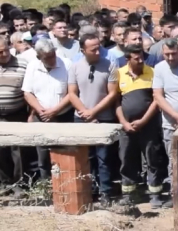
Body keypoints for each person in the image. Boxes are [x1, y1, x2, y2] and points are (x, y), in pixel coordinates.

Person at [67, 33, 119, 204]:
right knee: (86, 157)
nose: (97, 52)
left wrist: (94, 112)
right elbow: (72, 94)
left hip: (104, 118)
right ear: (83, 50)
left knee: (104, 158)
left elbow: (112, 94)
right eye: (93, 50)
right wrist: (85, 112)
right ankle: (89, 190)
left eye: (99, 48)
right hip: (81, 118)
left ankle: (105, 191)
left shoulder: (110, 65)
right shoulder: (74, 67)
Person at [115, 45, 169, 208]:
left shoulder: (152, 72)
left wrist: (143, 120)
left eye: (142, 58)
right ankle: (129, 194)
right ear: (127, 59)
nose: (140, 61)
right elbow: (116, 102)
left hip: (149, 125)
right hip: (126, 126)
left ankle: (155, 194)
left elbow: (156, 100)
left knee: (152, 157)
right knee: (126, 158)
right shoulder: (118, 74)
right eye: (136, 58)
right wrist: (124, 123)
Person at [22, 39, 73, 180]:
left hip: (63, 116)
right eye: (47, 57)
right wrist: (40, 111)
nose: (52, 59)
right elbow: (27, 92)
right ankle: (46, 185)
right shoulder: (32, 66)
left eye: (53, 55)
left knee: (64, 153)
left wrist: (54, 111)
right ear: (39, 57)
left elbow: (72, 93)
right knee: (43, 155)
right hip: (41, 117)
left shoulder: (67, 64)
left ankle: (65, 184)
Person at [153, 38, 178, 202]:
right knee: (175, 161)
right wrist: (176, 116)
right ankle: (176, 195)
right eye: (167, 54)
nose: (170, 58)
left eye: (173, 54)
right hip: (170, 123)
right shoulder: (159, 68)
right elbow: (158, 96)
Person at [0, 38, 28, 191]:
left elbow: (29, 90)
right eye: (0, 52)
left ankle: (19, 184)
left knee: (18, 151)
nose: (4, 54)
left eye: (6, 50)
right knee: (1, 150)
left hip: (17, 113)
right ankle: (4, 183)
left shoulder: (23, 64)